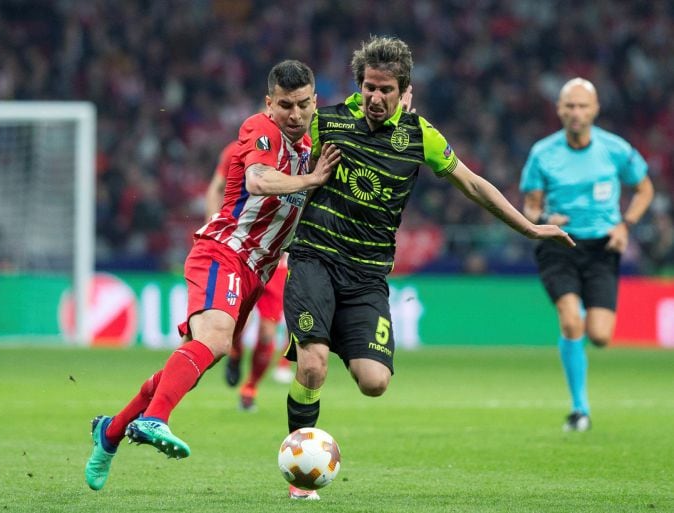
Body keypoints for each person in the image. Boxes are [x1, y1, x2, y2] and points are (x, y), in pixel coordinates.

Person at [281, 35, 575, 501]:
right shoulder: (328, 121)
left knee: (375, 382)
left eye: (386, 90)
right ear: (359, 85)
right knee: (312, 368)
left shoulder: (420, 136)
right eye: (369, 88)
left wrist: (530, 228)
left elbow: (474, 185)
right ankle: (299, 479)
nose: (376, 98)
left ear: (404, 92)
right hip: (315, 257)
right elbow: (279, 145)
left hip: (366, 277)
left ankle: (326, 331)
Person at [84, 59, 342, 491]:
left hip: (258, 269)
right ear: (269, 103)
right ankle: (154, 419)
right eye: (285, 105)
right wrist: (313, 180)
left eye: (302, 105)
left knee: (192, 361)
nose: (294, 115)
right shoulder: (261, 129)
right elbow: (258, 181)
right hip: (224, 251)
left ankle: (110, 432)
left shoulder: (314, 142)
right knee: (217, 340)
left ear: (315, 102)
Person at [520, 77, 654, 432]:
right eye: (570, 106)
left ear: (595, 110)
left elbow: (644, 189)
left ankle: (579, 321)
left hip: (601, 248)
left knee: (600, 335)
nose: (576, 112)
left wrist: (625, 225)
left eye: (582, 106)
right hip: (558, 244)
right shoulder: (542, 153)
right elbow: (530, 209)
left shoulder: (615, 149)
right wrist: (546, 219)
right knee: (570, 320)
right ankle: (580, 409)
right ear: (559, 110)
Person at [204, 139, 294, 412]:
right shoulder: (235, 150)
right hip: (241, 253)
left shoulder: (297, 154)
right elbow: (215, 189)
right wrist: (213, 225)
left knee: (268, 333)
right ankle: (235, 352)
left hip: (276, 259)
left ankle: (250, 387)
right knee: (236, 321)